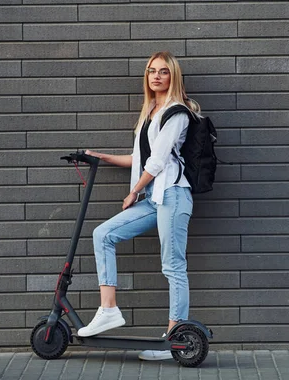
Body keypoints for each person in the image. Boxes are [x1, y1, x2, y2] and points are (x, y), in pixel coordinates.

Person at [79, 51, 199, 361]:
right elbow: (141, 160)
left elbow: (158, 162)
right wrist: (104, 157)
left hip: (173, 195)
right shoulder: (150, 112)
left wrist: (133, 191)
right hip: (154, 198)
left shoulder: (177, 112)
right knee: (103, 235)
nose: (156, 76)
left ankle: (175, 341)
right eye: (151, 71)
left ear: (173, 76)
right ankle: (108, 309)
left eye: (163, 71)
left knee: (173, 267)